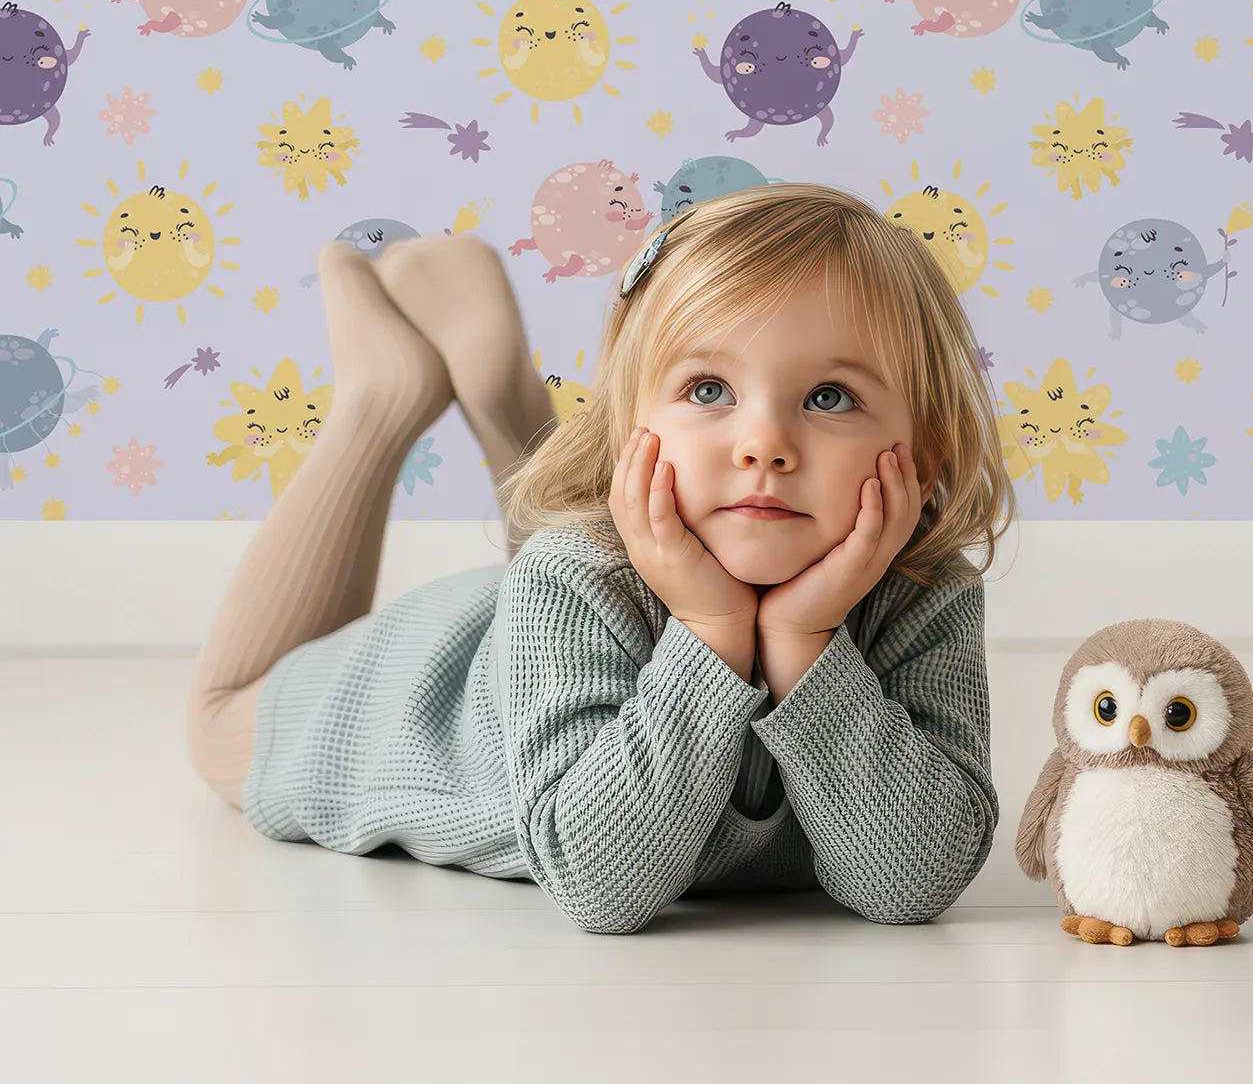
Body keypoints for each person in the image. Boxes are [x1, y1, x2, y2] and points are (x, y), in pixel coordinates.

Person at [186, 183, 1016, 934]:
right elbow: (599, 885)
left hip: (581, 608)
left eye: (829, 398)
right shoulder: (568, 576)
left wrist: (804, 640)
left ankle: (495, 382)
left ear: (926, 452)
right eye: (709, 390)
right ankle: (380, 397)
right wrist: (711, 629)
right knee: (218, 717)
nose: (764, 444)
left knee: (596, 532)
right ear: (626, 426)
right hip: (422, 695)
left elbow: (915, 879)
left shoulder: (923, 589)